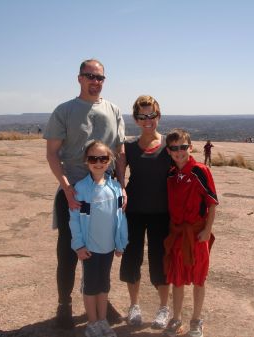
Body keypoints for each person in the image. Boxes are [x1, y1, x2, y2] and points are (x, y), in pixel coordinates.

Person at [44, 59, 126, 330]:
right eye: (90, 76)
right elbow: (52, 154)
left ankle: (102, 300)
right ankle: (64, 303)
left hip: (105, 194)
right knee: (70, 250)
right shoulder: (64, 111)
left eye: (100, 77)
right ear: (79, 78)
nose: (95, 81)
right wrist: (67, 188)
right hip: (75, 194)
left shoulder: (113, 110)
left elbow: (120, 151)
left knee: (103, 249)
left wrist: (122, 186)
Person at [119, 95, 172, 329]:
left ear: (158, 116)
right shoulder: (128, 146)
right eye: (142, 116)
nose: (147, 120)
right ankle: (134, 306)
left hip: (162, 212)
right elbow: (119, 180)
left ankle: (163, 308)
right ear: (136, 119)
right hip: (135, 212)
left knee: (160, 261)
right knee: (132, 259)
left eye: (152, 115)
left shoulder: (170, 145)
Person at [163, 129, 218, 337]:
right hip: (178, 234)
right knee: (177, 279)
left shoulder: (200, 171)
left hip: (196, 233)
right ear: (169, 151)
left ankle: (196, 320)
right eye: (174, 148)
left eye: (183, 147)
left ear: (190, 147)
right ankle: (176, 319)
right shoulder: (170, 174)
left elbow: (212, 204)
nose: (179, 152)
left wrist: (207, 230)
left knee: (198, 279)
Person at [70, 141, 128, 337]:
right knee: (90, 287)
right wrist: (78, 245)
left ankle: (102, 321)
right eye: (93, 158)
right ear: (87, 161)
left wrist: (120, 243)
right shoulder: (81, 189)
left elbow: (121, 218)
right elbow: (75, 220)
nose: (98, 162)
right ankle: (92, 323)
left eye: (102, 158)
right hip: (90, 249)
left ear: (109, 161)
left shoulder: (115, 188)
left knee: (104, 285)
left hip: (109, 248)